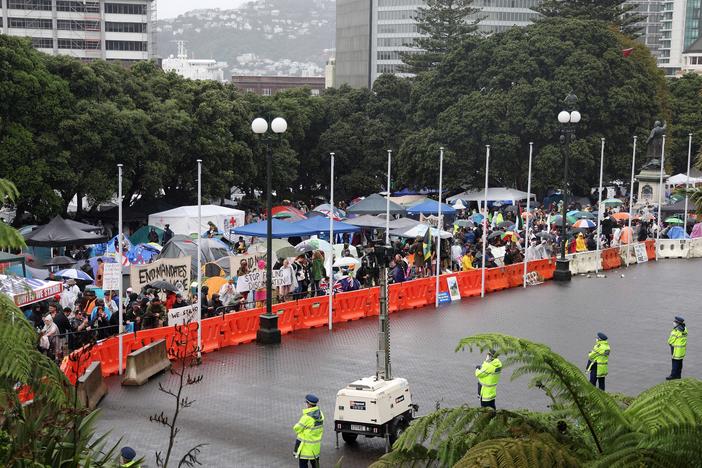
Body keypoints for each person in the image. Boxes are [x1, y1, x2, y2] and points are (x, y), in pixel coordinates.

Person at [293, 394, 324, 468]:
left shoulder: (306, 417)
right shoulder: (320, 414)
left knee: (303, 465)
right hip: (315, 448)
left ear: (309, 404)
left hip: (305, 448)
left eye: (306, 403)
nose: (306, 404)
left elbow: (296, 428)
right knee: (315, 465)